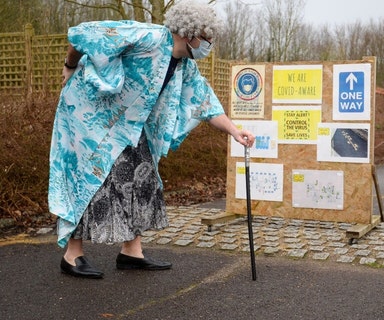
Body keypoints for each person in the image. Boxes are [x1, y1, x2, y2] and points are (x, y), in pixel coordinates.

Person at [49, 1, 255, 279]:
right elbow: (83, 35)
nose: (209, 45)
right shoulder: (146, 36)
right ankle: (72, 255)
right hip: (89, 114)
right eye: (207, 39)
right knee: (92, 179)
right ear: (189, 33)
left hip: (128, 124)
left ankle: (131, 253)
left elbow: (204, 101)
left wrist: (234, 130)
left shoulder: (184, 65)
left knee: (141, 175)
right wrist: (69, 66)